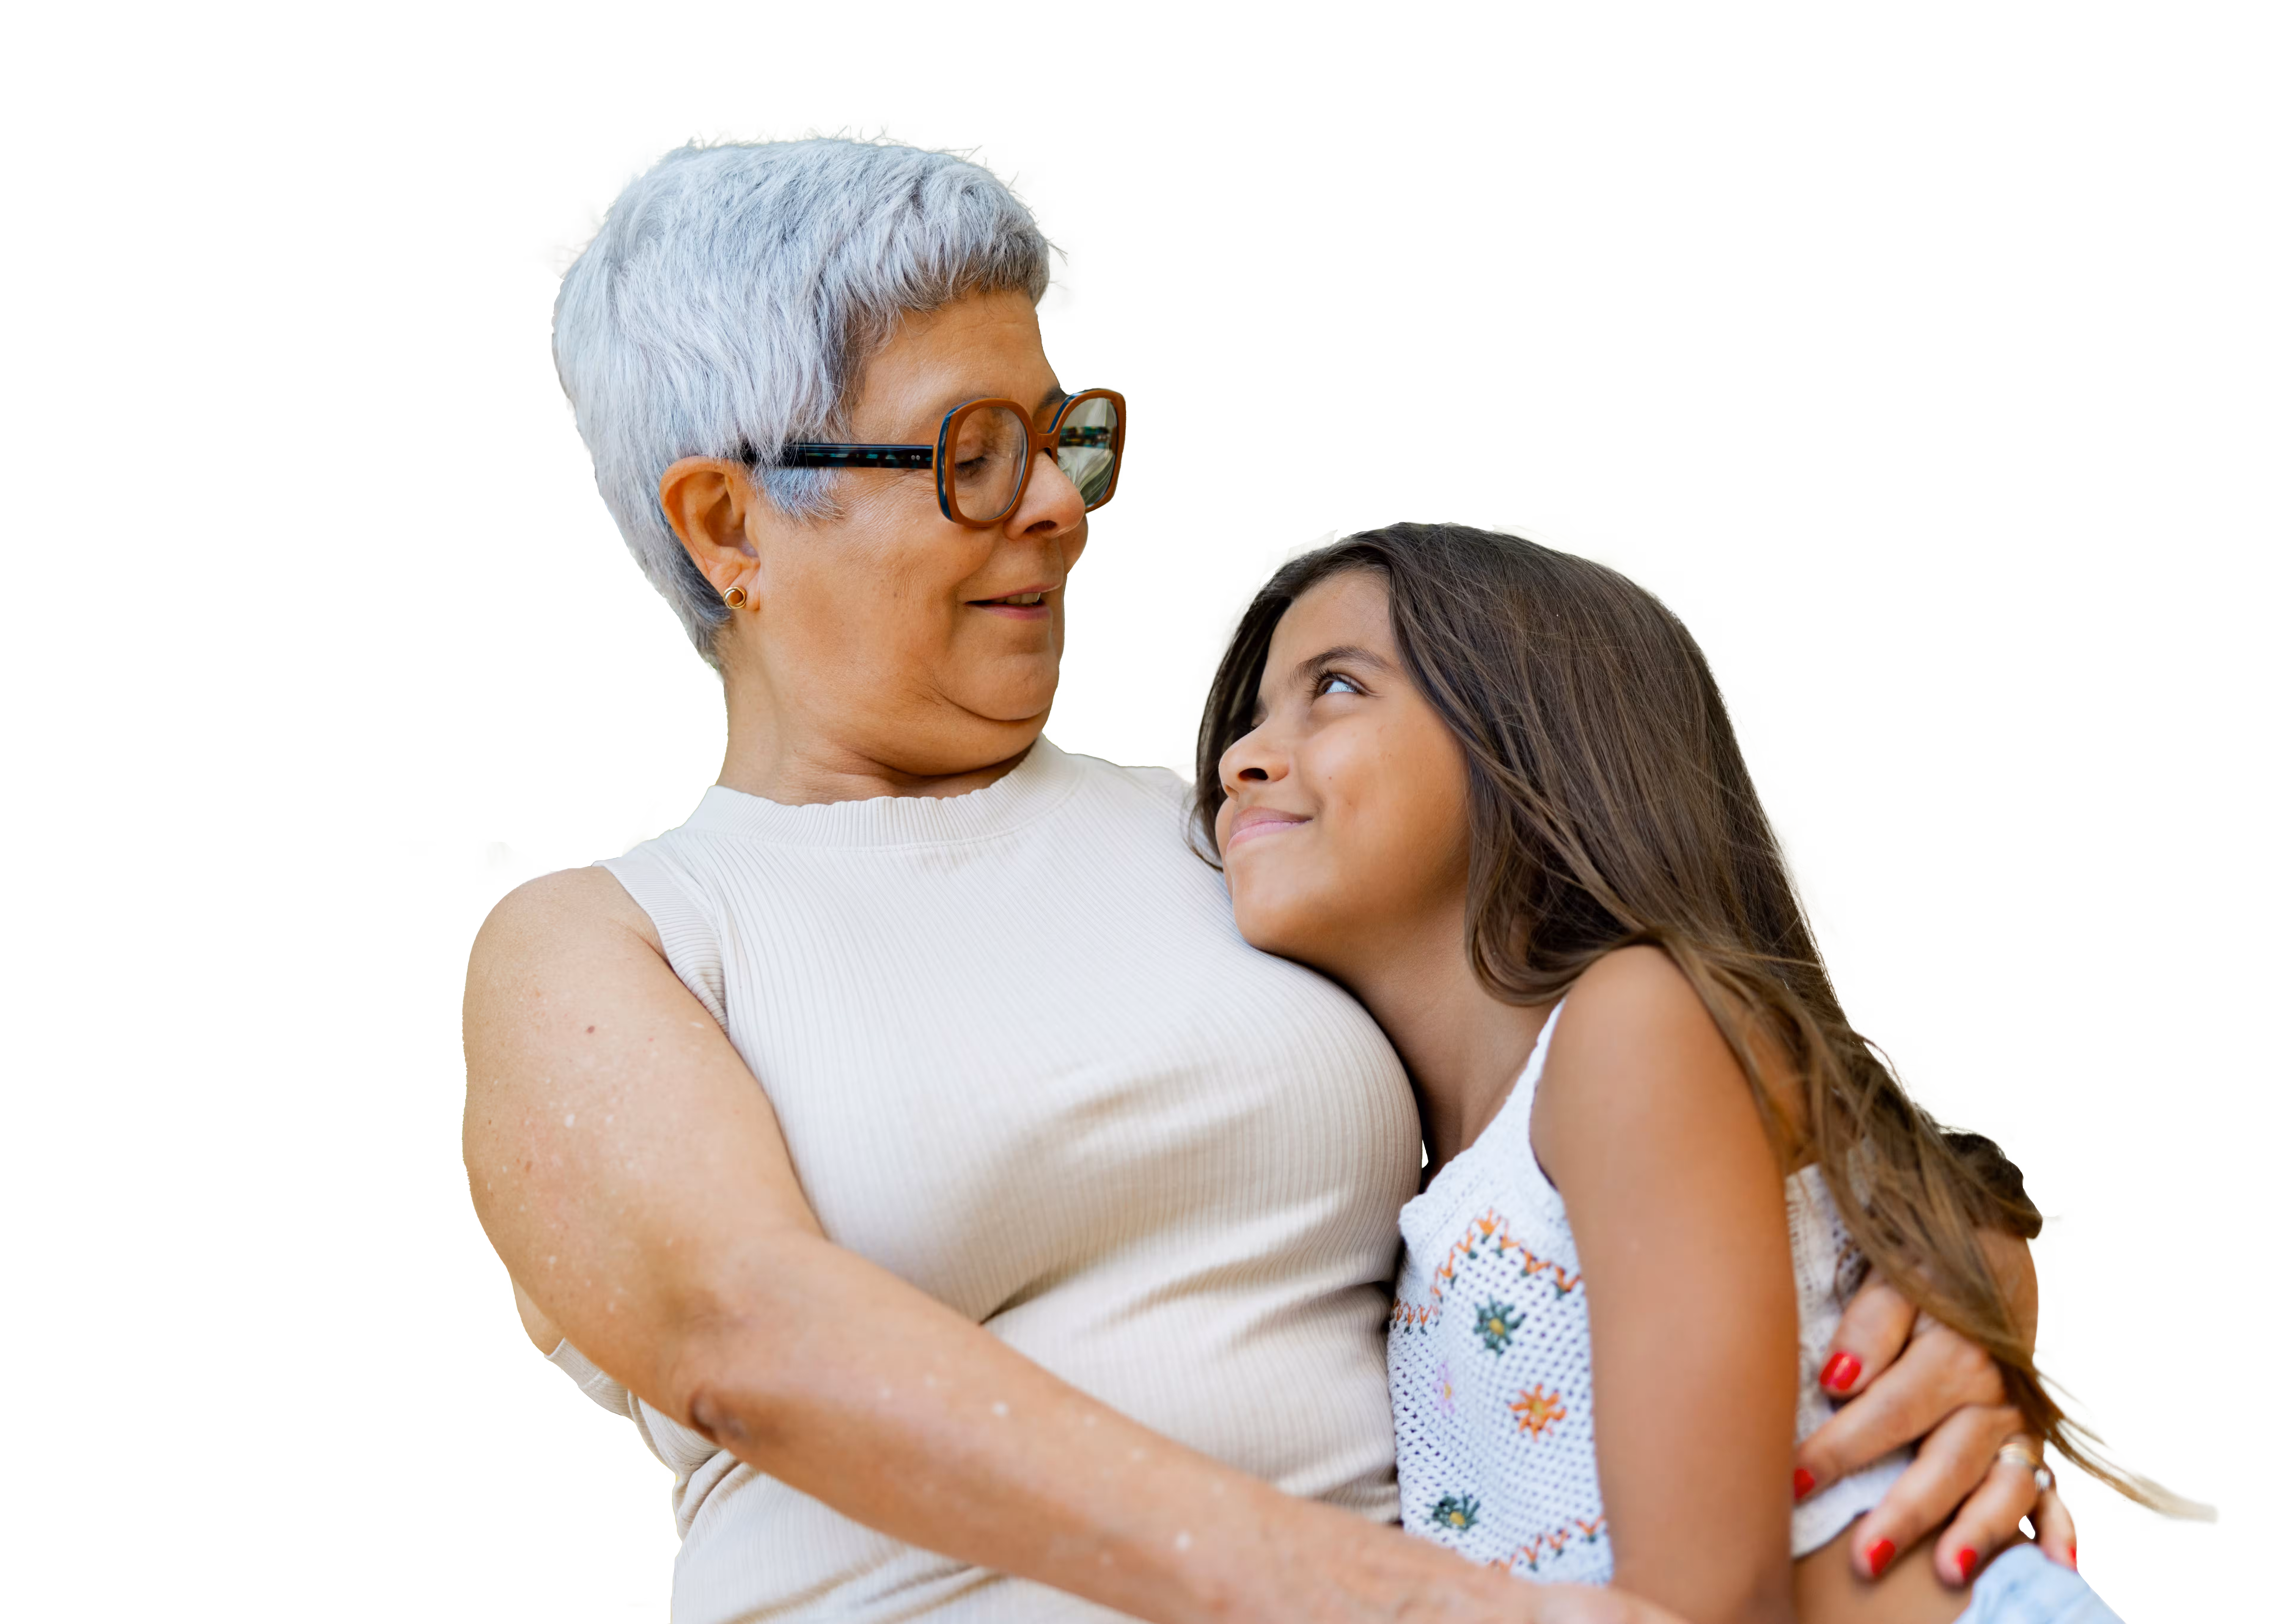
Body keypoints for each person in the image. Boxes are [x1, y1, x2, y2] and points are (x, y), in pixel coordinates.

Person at [463, 134, 2069, 1624]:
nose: (1062, 506)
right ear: (728, 520)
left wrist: (1932, 1319)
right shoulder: (612, 946)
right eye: (974, 453)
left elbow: (1666, 1097)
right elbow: (754, 1338)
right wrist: (1422, 1611)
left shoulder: (1235, 840)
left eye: (1060, 435)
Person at [1194, 523, 2208, 1623]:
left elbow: (1708, 1603)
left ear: (1530, 742)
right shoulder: (1460, 1175)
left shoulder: (1630, 1026)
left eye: (1335, 688)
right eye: (1250, 716)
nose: (1240, 757)